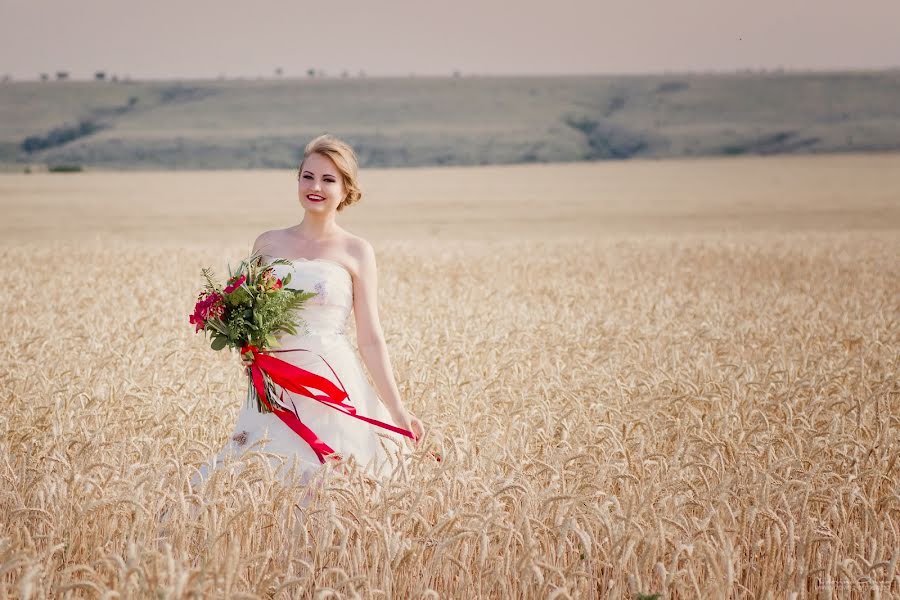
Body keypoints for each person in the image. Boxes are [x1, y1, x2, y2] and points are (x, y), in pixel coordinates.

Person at [191, 134, 425, 490]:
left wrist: (397, 409)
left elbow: (371, 338)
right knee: (261, 477)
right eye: (308, 176)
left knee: (339, 484)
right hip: (275, 384)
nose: (315, 186)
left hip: (332, 380)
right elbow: (244, 308)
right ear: (297, 179)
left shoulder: (357, 250)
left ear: (346, 190)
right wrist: (246, 345)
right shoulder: (268, 243)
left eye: (329, 179)